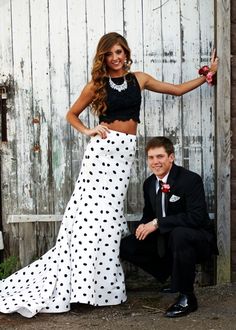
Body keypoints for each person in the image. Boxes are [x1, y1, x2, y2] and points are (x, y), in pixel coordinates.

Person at [0, 32, 218, 318]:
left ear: (125, 53)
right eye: (110, 54)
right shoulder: (97, 84)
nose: (115, 58)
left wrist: (207, 76)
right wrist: (89, 130)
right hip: (101, 154)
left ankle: (99, 287)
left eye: (119, 52)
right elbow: (71, 115)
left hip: (123, 155)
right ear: (103, 57)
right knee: (88, 218)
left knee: (107, 220)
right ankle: (80, 287)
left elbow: (176, 90)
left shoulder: (139, 79)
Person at [120, 136, 218, 318]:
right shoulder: (149, 183)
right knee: (127, 245)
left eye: (160, 156)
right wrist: (143, 225)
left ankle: (187, 296)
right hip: (166, 238)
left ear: (171, 157)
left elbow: (195, 217)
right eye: (151, 157)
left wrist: (157, 223)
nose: (155, 162)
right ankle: (173, 276)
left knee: (180, 234)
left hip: (197, 238)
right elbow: (149, 214)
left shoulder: (190, 180)